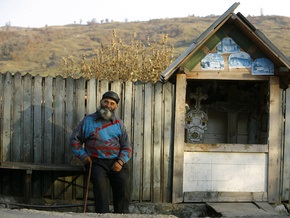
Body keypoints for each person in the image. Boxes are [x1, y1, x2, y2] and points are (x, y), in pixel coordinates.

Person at [70, 91, 132, 213]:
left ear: (116, 107)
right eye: (106, 102)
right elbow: (74, 140)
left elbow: (127, 146)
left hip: (117, 162)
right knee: (100, 189)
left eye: (112, 103)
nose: (108, 105)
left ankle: (122, 215)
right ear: (101, 102)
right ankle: (102, 215)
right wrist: (83, 156)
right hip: (96, 162)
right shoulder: (88, 121)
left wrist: (120, 162)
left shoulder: (119, 123)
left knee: (123, 186)